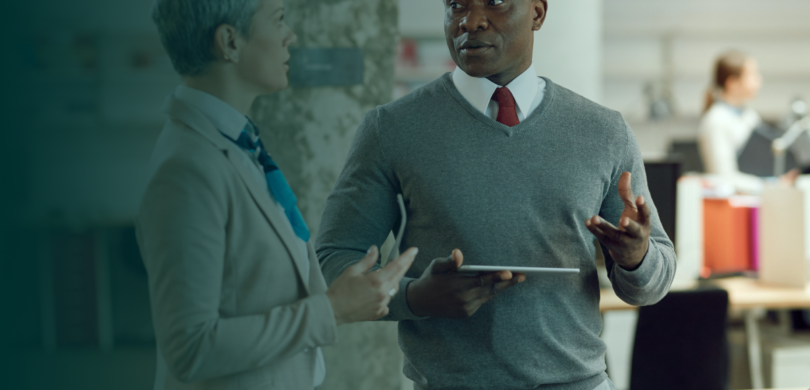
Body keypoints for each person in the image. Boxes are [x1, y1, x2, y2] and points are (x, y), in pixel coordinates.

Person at [316, 1, 676, 389]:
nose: (470, 21)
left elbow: (654, 284)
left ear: (537, 13)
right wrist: (415, 297)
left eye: (496, 2)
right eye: (456, 5)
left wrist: (636, 258)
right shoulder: (391, 129)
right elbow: (337, 259)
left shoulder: (604, 130)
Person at [137, 0, 417, 389]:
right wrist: (331, 310)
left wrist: (354, 297)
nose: (291, 36)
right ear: (229, 42)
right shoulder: (186, 170)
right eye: (279, 20)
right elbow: (190, 347)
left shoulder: (236, 143)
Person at [699, 50, 798, 193]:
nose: (759, 80)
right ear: (733, 83)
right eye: (752, 75)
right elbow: (723, 177)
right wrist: (769, 186)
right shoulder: (716, 120)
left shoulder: (749, 116)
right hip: (731, 208)